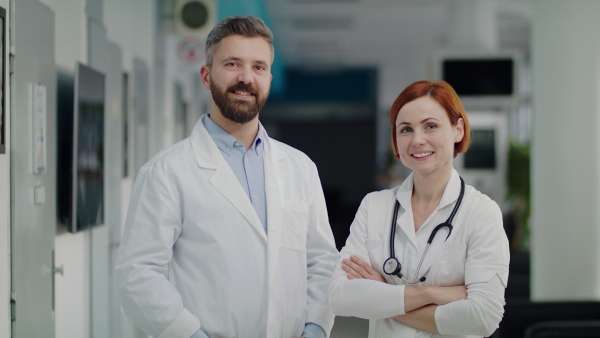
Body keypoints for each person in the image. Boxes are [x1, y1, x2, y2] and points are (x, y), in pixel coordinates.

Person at [116, 16, 338, 338]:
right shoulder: (167, 171)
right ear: (206, 76)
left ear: (269, 79)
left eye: (259, 67)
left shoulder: (300, 167)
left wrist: (316, 327)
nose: (246, 78)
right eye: (232, 64)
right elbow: (137, 274)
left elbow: (321, 260)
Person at [328, 80, 509, 337]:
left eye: (431, 126)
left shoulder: (480, 213)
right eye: (405, 130)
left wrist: (384, 294)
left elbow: (483, 317)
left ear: (458, 130)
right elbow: (339, 297)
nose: (417, 140)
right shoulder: (374, 207)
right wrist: (430, 294)